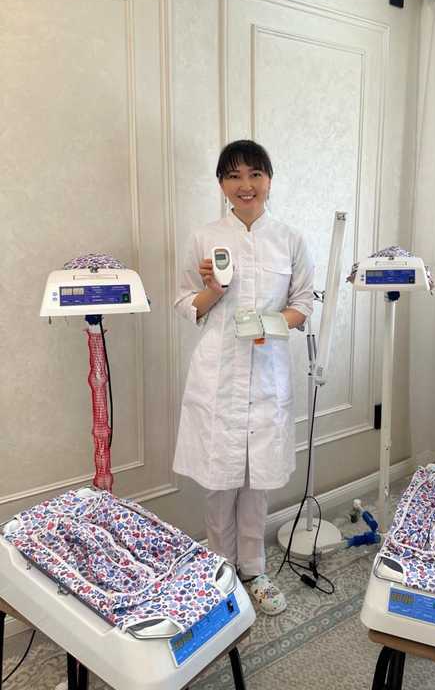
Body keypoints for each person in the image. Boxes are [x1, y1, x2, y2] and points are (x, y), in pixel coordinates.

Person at [173, 140, 314, 615]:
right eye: (233, 176)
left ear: (269, 180)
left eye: (255, 174)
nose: (245, 185)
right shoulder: (203, 237)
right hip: (218, 375)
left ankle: (254, 569)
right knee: (219, 481)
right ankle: (220, 572)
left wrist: (269, 326)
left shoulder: (290, 239)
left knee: (258, 481)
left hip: (267, 371)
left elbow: (303, 304)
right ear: (221, 184)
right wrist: (213, 290)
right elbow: (185, 304)